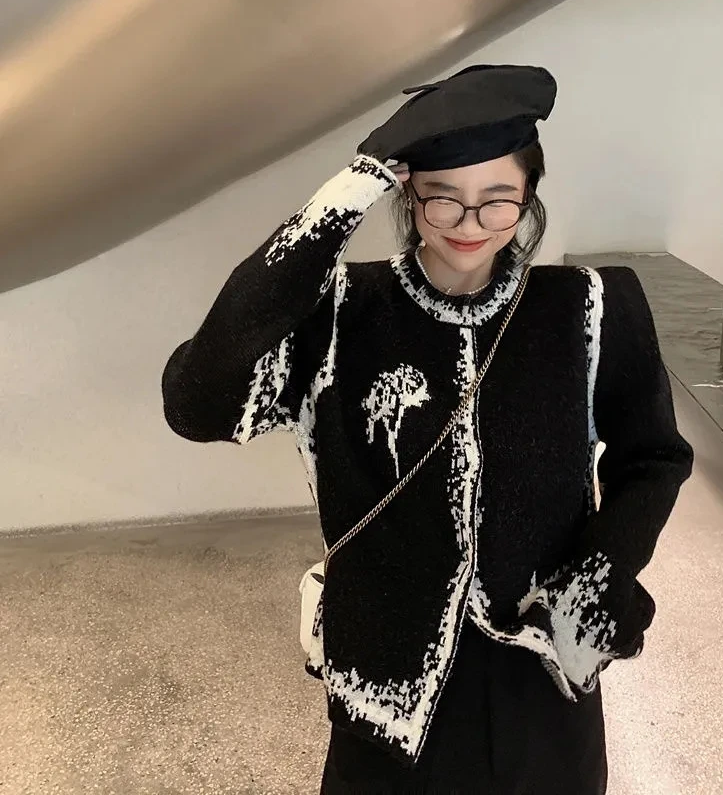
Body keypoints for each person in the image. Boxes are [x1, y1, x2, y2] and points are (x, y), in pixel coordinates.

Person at [161, 64, 694, 794]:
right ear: (406, 195)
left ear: (529, 195)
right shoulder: (340, 313)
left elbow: (654, 458)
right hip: (385, 688)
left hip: (540, 678)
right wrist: (340, 199)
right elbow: (195, 404)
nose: (470, 226)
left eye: (497, 201)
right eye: (443, 200)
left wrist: (598, 576)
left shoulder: (590, 308)